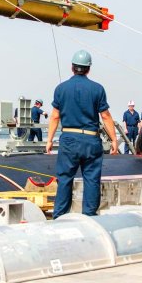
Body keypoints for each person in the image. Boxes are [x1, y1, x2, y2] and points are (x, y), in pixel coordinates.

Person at [46, 50, 118, 218]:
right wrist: (114, 139)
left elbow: (55, 116)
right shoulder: (98, 89)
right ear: (88, 69)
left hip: (69, 139)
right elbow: (105, 116)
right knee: (92, 179)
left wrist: (49, 140)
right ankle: (90, 217)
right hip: (91, 140)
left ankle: (60, 217)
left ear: (72, 67)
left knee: (65, 179)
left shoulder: (61, 88)